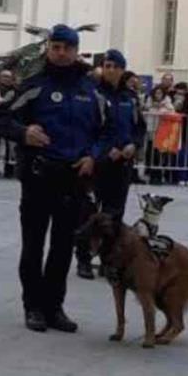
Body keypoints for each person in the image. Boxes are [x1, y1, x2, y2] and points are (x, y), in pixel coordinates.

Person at [0, 24, 111, 334]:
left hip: (74, 179)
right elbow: (0, 118)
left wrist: (93, 157)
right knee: (33, 246)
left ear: (76, 50)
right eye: (55, 47)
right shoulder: (34, 85)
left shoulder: (90, 90)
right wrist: (24, 133)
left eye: (66, 48)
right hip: (38, 176)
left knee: (61, 247)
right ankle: (33, 307)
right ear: (49, 49)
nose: (60, 53)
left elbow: (106, 131)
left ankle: (54, 307)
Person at [76, 49, 146, 280]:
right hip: (98, 163)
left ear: (123, 70)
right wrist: (105, 152)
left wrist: (133, 145)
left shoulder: (130, 98)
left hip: (122, 165)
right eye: (107, 65)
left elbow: (139, 128)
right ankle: (84, 259)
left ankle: (108, 260)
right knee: (88, 214)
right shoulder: (91, 94)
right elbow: (89, 129)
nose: (111, 70)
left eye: (116, 66)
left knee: (114, 214)